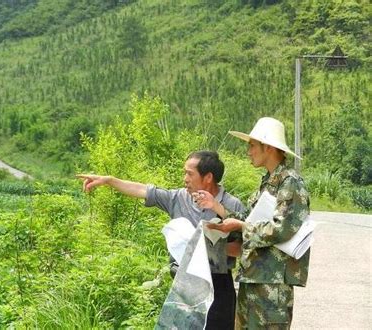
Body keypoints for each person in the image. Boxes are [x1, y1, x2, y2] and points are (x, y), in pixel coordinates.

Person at [77, 150, 245, 330]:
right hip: (183, 286)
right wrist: (109, 180)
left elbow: (245, 247)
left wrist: (206, 248)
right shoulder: (179, 198)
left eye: (189, 173)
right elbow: (143, 190)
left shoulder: (232, 205)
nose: (184, 179)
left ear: (208, 177)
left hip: (218, 286)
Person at [205, 117, 310, 329]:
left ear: (268, 147)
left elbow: (283, 228)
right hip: (253, 278)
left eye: (252, 146)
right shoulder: (268, 182)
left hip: (272, 284)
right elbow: (249, 218)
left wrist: (241, 227)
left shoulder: (290, 182)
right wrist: (223, 215)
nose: (248, 151)